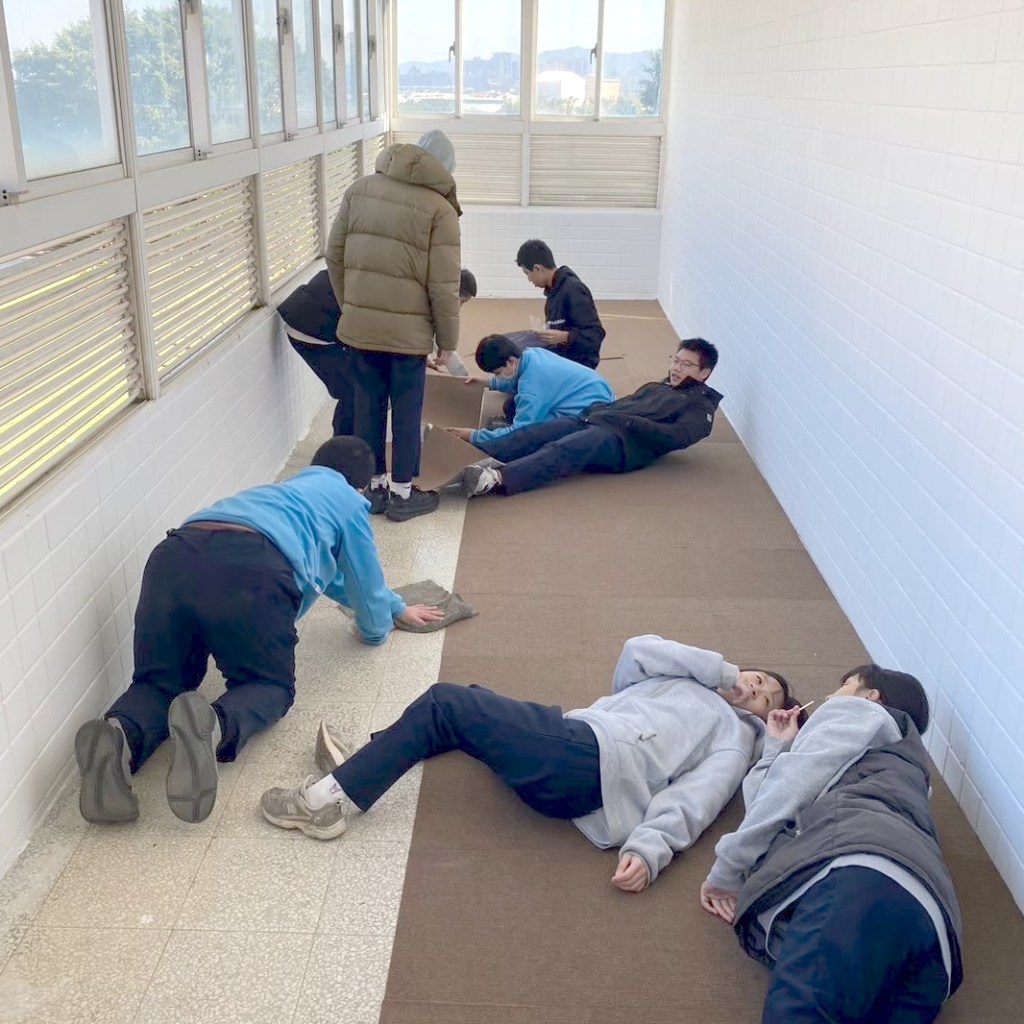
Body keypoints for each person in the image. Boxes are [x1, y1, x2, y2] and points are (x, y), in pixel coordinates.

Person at [73, 437, 444, 827]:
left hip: (174, 556)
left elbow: (332, 579)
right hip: (252, 568)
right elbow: (364, 586)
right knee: (267, 684)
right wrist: (379, 628)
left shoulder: (278, 494)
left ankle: (117, 735)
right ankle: (213, 726)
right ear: (362, 486)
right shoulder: (349, 502)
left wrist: (396, 604)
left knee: (159, 683)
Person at [260, 636, 804, 892]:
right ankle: (367, 761)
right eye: (755, 679)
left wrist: (650, 850)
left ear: (764, 718)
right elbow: (635, 654)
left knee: (447, 703)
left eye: (764, 698)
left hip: (589, 762)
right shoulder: (696, 679)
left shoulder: (735, 737)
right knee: (468, 705)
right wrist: (720, 671)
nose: (753, 690)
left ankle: (324, 803)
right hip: (578, 743)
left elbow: (697, 800)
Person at [700, 666, 964, 1023]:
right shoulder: (911, 771)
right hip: (936, 923)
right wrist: (779, 747)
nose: (829, 696)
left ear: (871, 696)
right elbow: (771, 793)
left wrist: (726, 870)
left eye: (845, 685)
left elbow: (782, 792)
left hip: (860, 872)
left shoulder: (855, 711)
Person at [326, 129, 462, 522]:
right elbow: (443, 285)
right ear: (445, 168)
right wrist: (447, 340)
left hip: (360, 328)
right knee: (406, 411)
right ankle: (403, 494)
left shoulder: (360, 189)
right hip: (408, 337)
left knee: (367, 407)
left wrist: (352, 306)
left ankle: (375, 488)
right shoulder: (440, 210)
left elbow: (334, 255)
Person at [447, 337, 721, 499]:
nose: (676, 368)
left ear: (704, 373)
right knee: (538, 432)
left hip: (622, 441)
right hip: (599, 417)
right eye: (676, 360)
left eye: (686, 364)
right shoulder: (661, 386)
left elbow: (677, 437)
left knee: (563, 449)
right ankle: (477, 446)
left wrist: (628, 422)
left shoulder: (701, 408)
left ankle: (496, 478)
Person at [280, 269, 478, 429]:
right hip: (310, 325)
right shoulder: (419, 293)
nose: (459, 309)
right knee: (353, 391)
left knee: (363, 386)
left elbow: (420, 333)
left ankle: (346, 445)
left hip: (319, 315)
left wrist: (462, 378)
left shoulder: (420, 282)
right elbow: (420, 332)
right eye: (461, 303)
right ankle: (341, 451)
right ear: (452, 295)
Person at [444, 334, 615, 456]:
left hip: (592, 413)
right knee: (511, 405)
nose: (498, 376)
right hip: (593, 391)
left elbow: (521, 432)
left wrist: (473, 436)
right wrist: (488, 382)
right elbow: (515, 380)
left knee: (521, 441)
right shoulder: (531, 355)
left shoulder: (532, 388)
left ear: (510, 361)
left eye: (497, 373)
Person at [516, 239, 605, 368]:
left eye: (527, 274)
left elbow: (596, 334)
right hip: (562, 358)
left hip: (578, 366)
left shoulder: (574, 290)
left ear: (537, 269)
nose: (529, 279)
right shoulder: (553, 292)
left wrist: (566, 337)